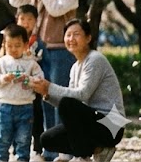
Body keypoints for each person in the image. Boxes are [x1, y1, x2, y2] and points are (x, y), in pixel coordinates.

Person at [9, 0, 80, 162]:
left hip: (61, 50)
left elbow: (56, 7)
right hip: (39, 51)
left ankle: (65, 149)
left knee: (60, 98)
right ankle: (49, 149)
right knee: (45, 99)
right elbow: (16, 0)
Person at [30, 19, 124, 162]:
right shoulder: (75, 67)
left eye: (76, 34)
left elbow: (81, 95)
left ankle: (83, 157)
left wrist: (49, 86)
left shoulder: (95, 59)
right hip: (93, 123)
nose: (71, 39)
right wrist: (46, 93)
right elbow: (71, 101)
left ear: (88, 38)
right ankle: (100, 149)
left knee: (68, 104)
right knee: (47, 139)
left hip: (111, 125)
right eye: (68, 35)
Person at [0, 24, 43, 162]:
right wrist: (3, 78)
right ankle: (1, 159)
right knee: (3, 137)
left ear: (25, 45)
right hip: (5, 106)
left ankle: (22, 159)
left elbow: (40, 79)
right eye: (9, 45)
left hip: (25, 106)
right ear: (4, 45)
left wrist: (28, 79)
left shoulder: (31, 63)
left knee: (24, 139)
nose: (13, 49)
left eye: (17, 45)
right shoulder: (2, 62)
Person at [16, 4, 47, 162]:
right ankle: (18, 149)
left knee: (37, 117)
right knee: (16, 118)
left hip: (33, 88)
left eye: (29, 19)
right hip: (15, 88)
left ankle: (37, 149)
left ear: (36, 21)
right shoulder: (12, 38)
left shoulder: (38, 41)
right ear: (17, 19)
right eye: (22, 19)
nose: (25, 22)